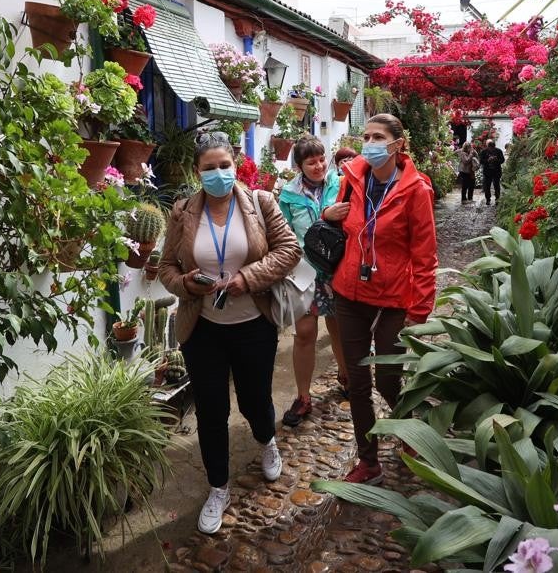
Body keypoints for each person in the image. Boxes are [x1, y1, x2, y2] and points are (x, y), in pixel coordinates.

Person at [158, 132, 302, 535]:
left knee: (256, 400)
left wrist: (247, 277)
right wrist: (186, 283)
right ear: (196, 171)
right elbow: (166, 267)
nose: (218, 173)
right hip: (202, 329)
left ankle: (265, 440)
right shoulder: (182, 212)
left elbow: (289, 250)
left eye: (224, 165)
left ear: (235, 163)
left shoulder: (260, 204)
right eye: (209, 168)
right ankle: (217, 486)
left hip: (253, 325)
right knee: (211, 410)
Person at [322, 114, 438, 484]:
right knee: (357, 380)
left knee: (388, 377)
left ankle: (408, 431)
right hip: (350, 291)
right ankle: (368, 461)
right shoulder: (352, 179)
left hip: (393, 296)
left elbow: (425, 254)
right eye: (366, 136)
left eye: (378, 137)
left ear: (398, 145)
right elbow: (336, 227)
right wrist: (328, 213)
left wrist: (419, 310)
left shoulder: (415, 190)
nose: (369, 143)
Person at [277, 137, 349, 425]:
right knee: (304, 333)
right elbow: (283, 234)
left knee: (339, 328)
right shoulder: (288, 195)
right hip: (305, 273)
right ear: (299, 166)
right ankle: (303, 397)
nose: (319, 166)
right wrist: (324, 215)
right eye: (311, 162)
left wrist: (329, 215)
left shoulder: (341, 184)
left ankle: (346, 377)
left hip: (338, 270)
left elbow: (354, 219)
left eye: (321, 159)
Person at [479, 139, 505, 205]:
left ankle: (497, 199)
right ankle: (488, 199)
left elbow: (502, 160)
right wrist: (488, 160)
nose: (491, 150)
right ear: (488, 146)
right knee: (487, 186)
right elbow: (481, 161)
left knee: (497, 185)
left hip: (496, 171)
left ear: (494, 146)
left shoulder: (498, 151)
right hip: (487, 172)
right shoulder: (484, 152)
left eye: (492, 148)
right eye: (490, 148)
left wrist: (496, 160)